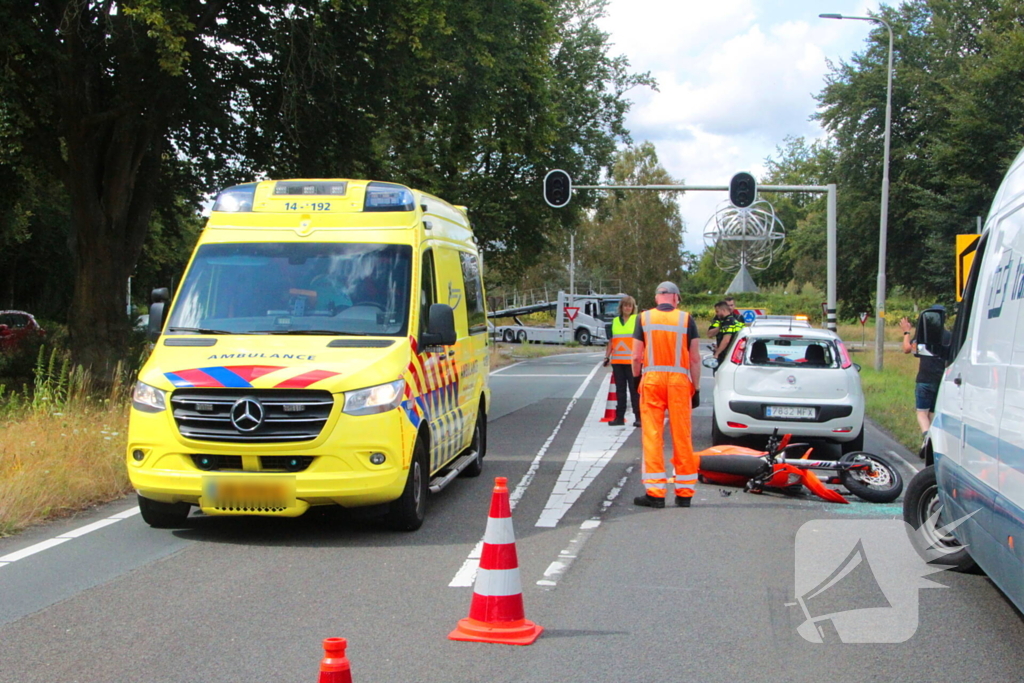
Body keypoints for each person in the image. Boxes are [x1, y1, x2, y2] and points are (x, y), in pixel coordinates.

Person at [631, 281, 701, 509]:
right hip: (680, 384)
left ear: (657, 297)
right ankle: (684, 493)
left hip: (652, 381)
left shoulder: (644, 319)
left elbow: (635, 356)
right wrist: (696, 387)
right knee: (682, 437)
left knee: (652, 436)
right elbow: (694, 358)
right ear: (675, 298)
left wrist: (635, 379)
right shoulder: (686, 319)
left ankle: (655, 493)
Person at [899, 306, 951, 442]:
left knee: (922, 412)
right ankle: (934, 440)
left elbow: (906, 349)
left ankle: (927, 438)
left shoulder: (923, 337)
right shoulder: (949, 336)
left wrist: (906, 332)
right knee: (933, 412)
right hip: (941, 380)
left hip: (924, 379)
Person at [603, 295, 641, 427]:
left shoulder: (637, 320)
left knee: (634, 391)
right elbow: (611, 341)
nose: (627, 308)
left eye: (630, 305)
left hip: (633, 363)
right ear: (621, 307)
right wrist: (607, 357)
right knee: (620, 391)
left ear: (633, 308)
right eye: (625, 305)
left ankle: (638, 418)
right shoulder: (614, 322)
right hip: (618, 362)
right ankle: (619, 417)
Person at [709, 300, 744, 368]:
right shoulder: (734, 320)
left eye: (717, 311)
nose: (717, 314)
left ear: (723, 310)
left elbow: (726, 340)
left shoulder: (727, 322)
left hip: (726, 353)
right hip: (734, 353)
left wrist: (717, 354)